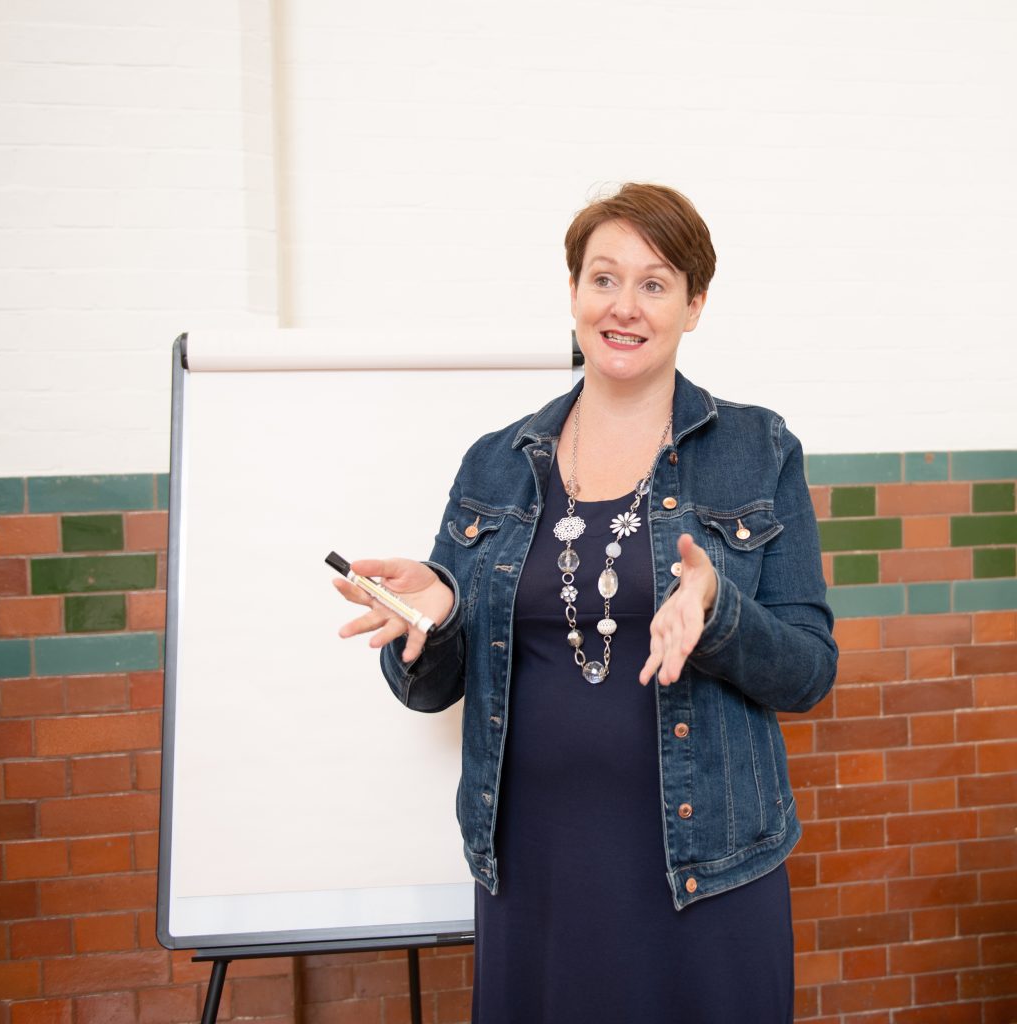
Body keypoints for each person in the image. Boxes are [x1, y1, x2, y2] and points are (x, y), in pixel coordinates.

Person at [333, 183, 837, 1023]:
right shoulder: (495, 463)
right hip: (535, 870)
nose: (624, 307)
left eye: (655, 282)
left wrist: (719, 617)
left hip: (705, 867)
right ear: (573, 294)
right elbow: (429, 688)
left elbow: (810, 672)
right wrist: (436, 619)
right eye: (603, 279)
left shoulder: (757, 450)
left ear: (695, 305)